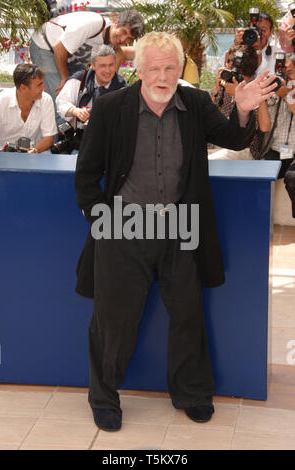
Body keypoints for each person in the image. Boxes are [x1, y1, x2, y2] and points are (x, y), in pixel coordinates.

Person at [74, 31, 276, 432]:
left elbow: (234, 137)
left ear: (181, 68)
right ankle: (104, 397)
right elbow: (87, 174)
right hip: (123, 226)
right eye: (154, 68)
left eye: (170, 67)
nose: (163, 76)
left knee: (187, 316)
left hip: (180, 226)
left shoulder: (196, 103)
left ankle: (191, 393)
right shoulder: (113, 107)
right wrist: (102, 219)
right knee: (114, 320)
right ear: (138, 69)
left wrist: (242, 108)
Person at [30, 9, 144, 104]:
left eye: (129, 38)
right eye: (123, 32)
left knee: (82, 95)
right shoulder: (95, 24)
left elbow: (124, 52)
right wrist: (65, 77)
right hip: (45, 46)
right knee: (60, 99)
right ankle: (59, 130)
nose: (123, 39)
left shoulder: (112, 43)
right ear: (116, 23)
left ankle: (77, 129)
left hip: (69, 59)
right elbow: (59, 48)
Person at [56, 45, 127, 136]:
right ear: (93, 65)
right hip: (78, 140)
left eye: (111, 65)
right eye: (102, 66)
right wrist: (75, 111)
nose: (107, 70)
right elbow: (62, 102)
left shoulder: (122, 89)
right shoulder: (79, 79)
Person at [258, 54, 295, 218]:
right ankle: (259, 221)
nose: (286, 76)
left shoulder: (285, 94)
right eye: (284, 72)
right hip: (276, 150)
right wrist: (263, 97)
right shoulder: (275, 93)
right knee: (258, 176)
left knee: (293, 178)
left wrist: (286, 95)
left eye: (291, 72)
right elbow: (265, 126)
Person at [209, 44, 262, 160]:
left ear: (239, 65)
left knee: (206, 162)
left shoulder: (255, 88)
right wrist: (216, 90)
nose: (226, 65)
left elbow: (255, 125)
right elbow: (208, 114)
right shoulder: (226, 86)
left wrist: (238, 96)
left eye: (229, 61)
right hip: (218, 144)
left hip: (242, 148)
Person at [0, 63, 57, 153]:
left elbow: (49, 138)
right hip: (2, 155)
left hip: (35, 154)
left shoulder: (46, 99)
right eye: (39, 85)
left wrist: (34, 151)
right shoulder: (0, 102)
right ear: (23, 88)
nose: (44, 87)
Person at [228, 12, 279, 76]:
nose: (259, 34)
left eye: (263, 30)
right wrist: (234, 47)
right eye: (255, 30)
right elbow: (223, 70)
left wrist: (258, 51)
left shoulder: (278, 54)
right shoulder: (239, 50)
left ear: (271, 32)